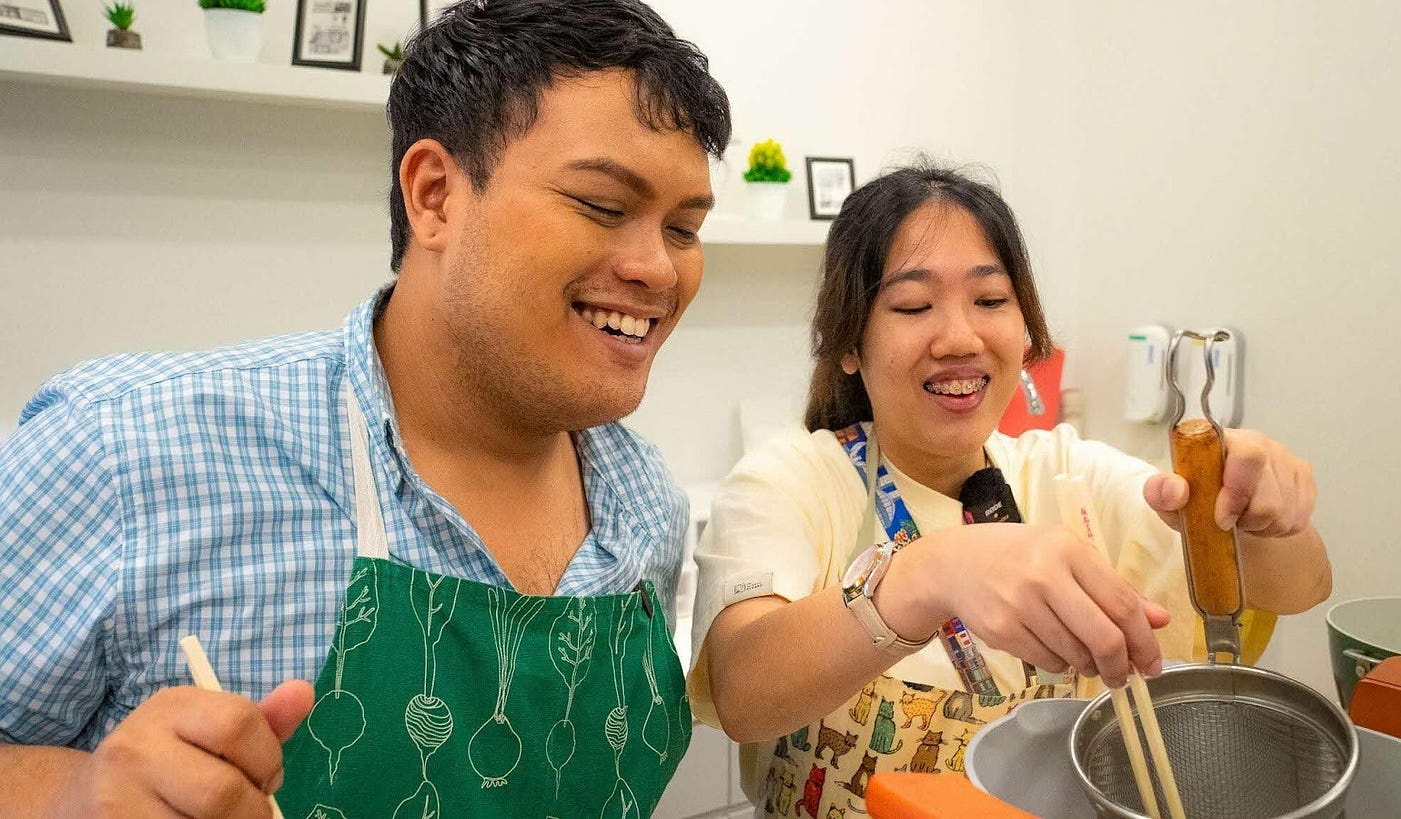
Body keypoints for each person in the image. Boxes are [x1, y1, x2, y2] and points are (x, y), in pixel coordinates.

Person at [0, 0, 731, 815]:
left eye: (684, 227)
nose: (658, 269)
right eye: (602, 204)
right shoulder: (123, 447)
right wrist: (78, 789)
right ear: (435, 195)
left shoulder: (647, 509)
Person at [687, 164, 1330, 813]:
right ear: (849, 341)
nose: (961, 337)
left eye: (990, 300)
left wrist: (1263, 514)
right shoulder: (793, 481)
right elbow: (745, 691)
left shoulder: (1066, 477)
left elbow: (1300, 586)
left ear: (1025, 331)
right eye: (913, 305)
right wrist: (925, 573)